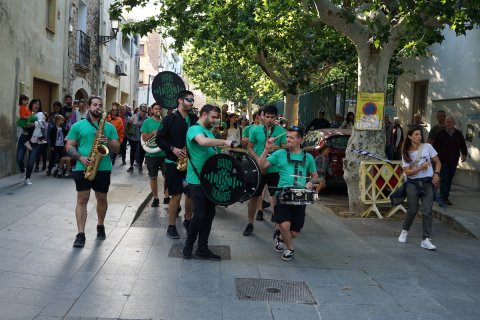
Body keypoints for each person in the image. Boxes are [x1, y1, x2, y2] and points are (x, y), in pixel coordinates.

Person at [65, 96, 120, 248]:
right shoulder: (77, 126)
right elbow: (69, 146)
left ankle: (100, 224)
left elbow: (117, 148)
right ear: (89, 106)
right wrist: (79, 157)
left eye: (100, 105)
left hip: (103, 168)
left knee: (101, 198)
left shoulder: (109, 127)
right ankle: (80, 234)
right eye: (95, 105)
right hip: (82, 167)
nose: (97, 107)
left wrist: (107, 141)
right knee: (82, 199)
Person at [182, 104, 235, 260]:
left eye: (216, 118)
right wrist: (224, 142)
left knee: (209, 214)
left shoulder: (208, 131)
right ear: (203, 114)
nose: (215, 120)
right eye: (212, 117)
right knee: (199, 214)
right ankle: (188, 246)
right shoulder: (195, 129)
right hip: (196, 180)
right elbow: (202, 142)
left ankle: (202, 248)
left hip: (210, 181)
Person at [258, 126, 317, 261]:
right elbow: (261, 165)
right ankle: (290, 248)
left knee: (294, 232)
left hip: (300, 195)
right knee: (284, 225)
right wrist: (266, 148)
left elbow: (314, 176)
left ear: (300, 139)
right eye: (287, 137)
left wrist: (310, 183)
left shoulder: (308, 157)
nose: (287, 139)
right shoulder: (279, 154)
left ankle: (280, 238)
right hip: (283, 194)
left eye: (291, 137)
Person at [156, 90, 197, 239]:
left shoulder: (194, 119)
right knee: (176, 195)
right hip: (173, 162)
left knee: (191, 194)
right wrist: (173, 149)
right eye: (188, 99)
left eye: (192, 100)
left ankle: (188, 219)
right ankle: (171, 226)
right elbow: (159, 139)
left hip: (191, 164)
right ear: (180, 100)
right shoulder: (169, 119)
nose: (191, 102)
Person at [397, 126, 441, 250]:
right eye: (416, 134)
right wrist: (420, 168)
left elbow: (438, 162)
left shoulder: (428, 147)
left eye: (420, 134)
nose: (419, 136)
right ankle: (405, 231)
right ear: (410, 136)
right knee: (412, 210)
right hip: (412, 184)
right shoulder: (406, 152)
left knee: (427, 211)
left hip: (427, 183)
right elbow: (408, 172)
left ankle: (426, 239)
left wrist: (436, 174)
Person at [245, 104, 286, 234]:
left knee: (276, 199)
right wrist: (258, 159)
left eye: (272, 117)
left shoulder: (281, 131)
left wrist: (277, 148)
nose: (269, 120)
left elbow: (285, 149)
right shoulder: (256, 130)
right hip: (258, 169)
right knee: (253, 198)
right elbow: (249, 147)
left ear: (276, 117)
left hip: (274, 170)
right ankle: (250, 223)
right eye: (267, 117)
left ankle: (277, 229)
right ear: (263, 116)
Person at [432, 116, 467, 206]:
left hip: (453, 160)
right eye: (447, 122)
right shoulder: (441, 134)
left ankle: (444, 196)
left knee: (450, 179)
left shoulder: (458, 134)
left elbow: (463, 144)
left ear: (454, 124)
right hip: (442, 161)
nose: (448, 124)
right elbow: (435, 146)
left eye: (450, 122)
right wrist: (434, 157)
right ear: (445, 123)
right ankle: (444, 198)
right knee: (444, 179)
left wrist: (464, 154)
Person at [140, 102, 167, 206]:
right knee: (153, 177)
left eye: (159, 109)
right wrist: (152, 133)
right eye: (156, 109)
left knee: (167, 176)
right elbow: (144, 138)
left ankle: (166, 196)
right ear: (151, 110)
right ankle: (155, 198)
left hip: (164, 153)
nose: (158, 110)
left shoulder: (165, 122)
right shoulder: (147, 122)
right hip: (151, 154)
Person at [17, 99, 42, 185]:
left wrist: (32, 124)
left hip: (35, 140)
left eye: (38, 104)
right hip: (24, 137)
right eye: (35, 103)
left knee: (31, 161)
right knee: (19, 158)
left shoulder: (40, 114)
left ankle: (27, 178)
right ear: (31, 104)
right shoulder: (26, 112)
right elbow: (22, 124)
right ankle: (22, 170)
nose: (37, 105)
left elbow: (40, 123)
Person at [126, 104, 148, 173]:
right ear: (139, 110)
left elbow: (148, 128)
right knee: (133, 152)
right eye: (142, 111)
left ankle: (140, 166)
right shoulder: (135, 116)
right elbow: (128, 124)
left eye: (145, 111)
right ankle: (131, 166)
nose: (143, 112)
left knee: (142, 152)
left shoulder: (147, 118)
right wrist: (130, 122)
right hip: (134, 137)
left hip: (142, 138)